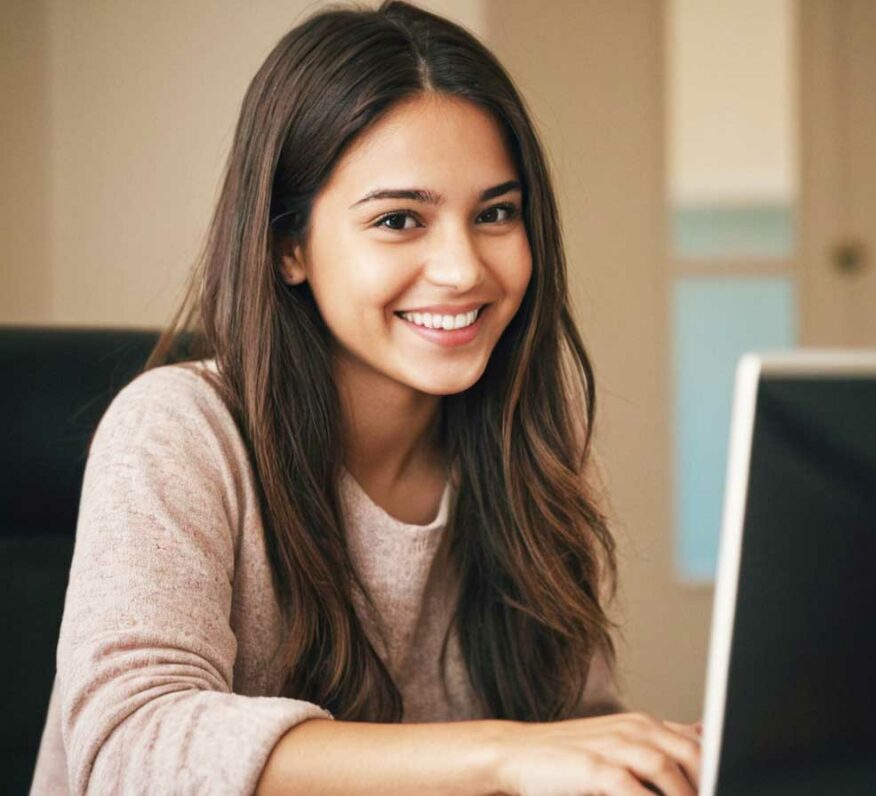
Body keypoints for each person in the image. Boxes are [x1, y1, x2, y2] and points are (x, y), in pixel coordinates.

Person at [29, 2, 702, 794]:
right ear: (289, 247)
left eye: (495, 213)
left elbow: (568, 726)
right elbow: (130, 750)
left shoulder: (532, 435)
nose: (461, 269)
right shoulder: (176, 430)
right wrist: (501, 753)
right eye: (398, 220)